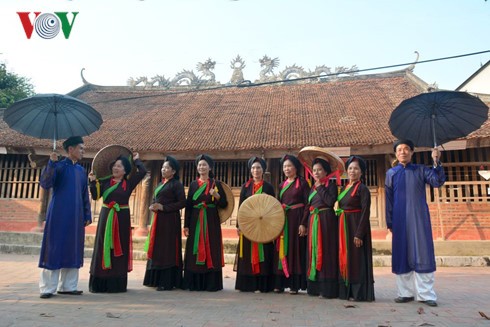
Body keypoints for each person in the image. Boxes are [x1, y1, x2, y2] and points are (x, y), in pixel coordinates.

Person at [385, 140, 445, 307]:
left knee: (422, 251)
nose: (403, 152)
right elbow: (388, 200)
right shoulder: (391, 173)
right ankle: (405, 293)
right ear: (396, 154)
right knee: (401, 252)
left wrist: (436, 162)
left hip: (419, 217)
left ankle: (426, 294)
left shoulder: (421, 170)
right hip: (399, 218)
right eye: (399, 149)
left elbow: (437, 182)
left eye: (406, 149)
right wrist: (389, 221)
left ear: (412, 152)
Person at [38, 136, 92, 299]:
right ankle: (47, 288)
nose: (83, 151)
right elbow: (46, 183)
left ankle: (68, 286)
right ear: (70, 149)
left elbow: (84, 194)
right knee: (54, 248)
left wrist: (87, 213)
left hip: (76, 216)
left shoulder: (81, 171)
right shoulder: (59, 166)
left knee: (72, 248)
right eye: (80, 148)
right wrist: (51, 164)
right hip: (58, 214)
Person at [88, 152, 147, 293]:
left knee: (119, 246)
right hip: (106, 216)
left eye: (119, 166)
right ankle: (100, 281)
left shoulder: (129, 183)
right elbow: (96, 196)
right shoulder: (105, 182)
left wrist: (137, 160)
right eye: (114, 166)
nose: (116, 168)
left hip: (121, 218)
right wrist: (92, 181)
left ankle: (116, 282)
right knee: (103, 246)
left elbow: (143, 171)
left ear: (125, 170)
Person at [183, 154, 228, 291]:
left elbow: (224, 204)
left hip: (211, 220)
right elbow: (189, 206)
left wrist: (217, 196)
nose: (202, 167)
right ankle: (194, 283)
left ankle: (211, 284)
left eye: (204, 165)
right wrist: (186, 225)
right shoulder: (193, 185)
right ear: (197, 168)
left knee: (211, 247)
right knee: (194, 249)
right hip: (196, 220)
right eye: (199, 165)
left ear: (210, 167)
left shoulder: (216, 184)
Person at [143, 156, 186, 291]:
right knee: (157, 247)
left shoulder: (176, 184)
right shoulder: (160, 184)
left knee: (167, 249)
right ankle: (154, 279)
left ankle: (167, 282)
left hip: (170, 221)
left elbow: (182, 203)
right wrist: (152, 206)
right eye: (162, 167)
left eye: (167, 168)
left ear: (173, 171)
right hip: (158, 220)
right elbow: (156, 200)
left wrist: (163, 207)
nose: (163, 169)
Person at [299, 158, 339, 298]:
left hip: (326, 220)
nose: (316, 172)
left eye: (319, 170)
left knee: (326, 251)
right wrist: (303, 223)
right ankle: (314, 287)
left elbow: (330, 201)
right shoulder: (312, 188)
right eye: (314, 170)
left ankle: (327, 288)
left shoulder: (331, 186)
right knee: (313, 252)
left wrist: (320, 186)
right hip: (312, 221)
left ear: (326, 171)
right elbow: (307, 206)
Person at [235, 157, 276, 293]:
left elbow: (273, 208)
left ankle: (263, 284)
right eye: (253, 168)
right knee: (247, 253)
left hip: (263, 225)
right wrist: (238, 225)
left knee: (264, 251)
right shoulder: (245, 187)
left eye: (258, 167)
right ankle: (248, 284)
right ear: (250, 170)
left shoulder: (268, 187)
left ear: (263, 170)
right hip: (248, 226)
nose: (255, 170)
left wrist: (266, 199)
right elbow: (241, 207)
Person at [337, 155, 375, 302]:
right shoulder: (345, 188)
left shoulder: (363, 189)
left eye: (356, 169)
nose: (352, 171)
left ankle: (358, 292)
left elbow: (366, 212)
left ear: (361, 172)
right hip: (344, 227)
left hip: (356, 226)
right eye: (350, 168)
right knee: (346, 257)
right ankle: (346, 290)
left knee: (356, 259)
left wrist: (359, 234)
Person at [273, 154, 310, 294]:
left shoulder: (303, 183)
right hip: (284, 220)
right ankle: (280, 283)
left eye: (289, 166)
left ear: (296, 167)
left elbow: (308, 204)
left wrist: (303, 223)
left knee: (295, 250)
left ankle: (294, 285)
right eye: (284, 166)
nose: (287, 169)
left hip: (297, 219)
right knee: (281, 249)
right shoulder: (282, 184)